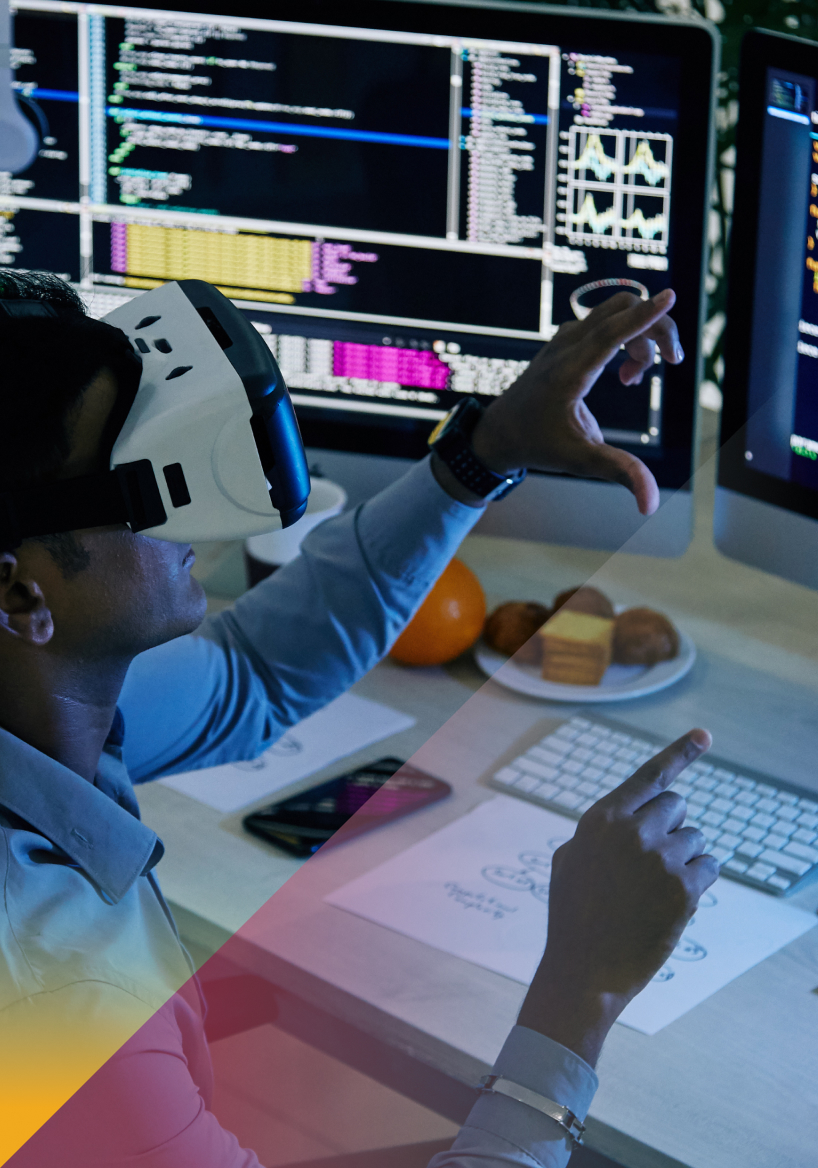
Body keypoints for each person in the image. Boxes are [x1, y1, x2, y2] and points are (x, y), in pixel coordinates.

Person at [0, 271, 717, 1166]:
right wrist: (584, 987)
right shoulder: (60, 1004)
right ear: (20, 592)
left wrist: (481, 455)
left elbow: (253, 671)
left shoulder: (33, 694)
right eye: (136, 479)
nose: (187, 507)